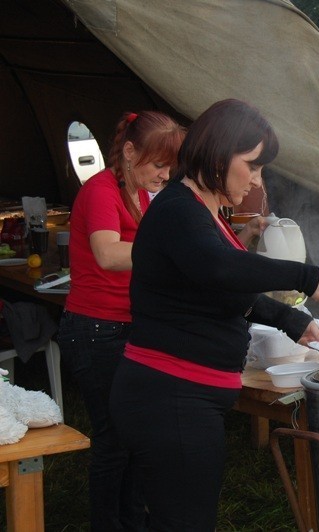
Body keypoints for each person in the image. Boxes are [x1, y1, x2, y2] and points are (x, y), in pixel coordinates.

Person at [108, 98, 319, 530]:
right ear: (219, 155)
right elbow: (219, 268)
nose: (257, 180)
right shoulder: (178, 210)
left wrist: (292, 320)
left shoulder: (204, 211)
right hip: (170, 397)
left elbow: (219, 290)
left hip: (184, 398)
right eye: (253, 165)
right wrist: (307, 275)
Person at [58, 110, 185, 531]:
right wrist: (166, 250)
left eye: (170, 166)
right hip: (95, 330)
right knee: (114, 439)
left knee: (136, 435)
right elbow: (108, 254)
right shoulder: (100, 192)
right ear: (130, 153)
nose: (165, 175)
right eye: (158, 165)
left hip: (130, 326)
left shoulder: (144, 194)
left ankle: (132, 521)